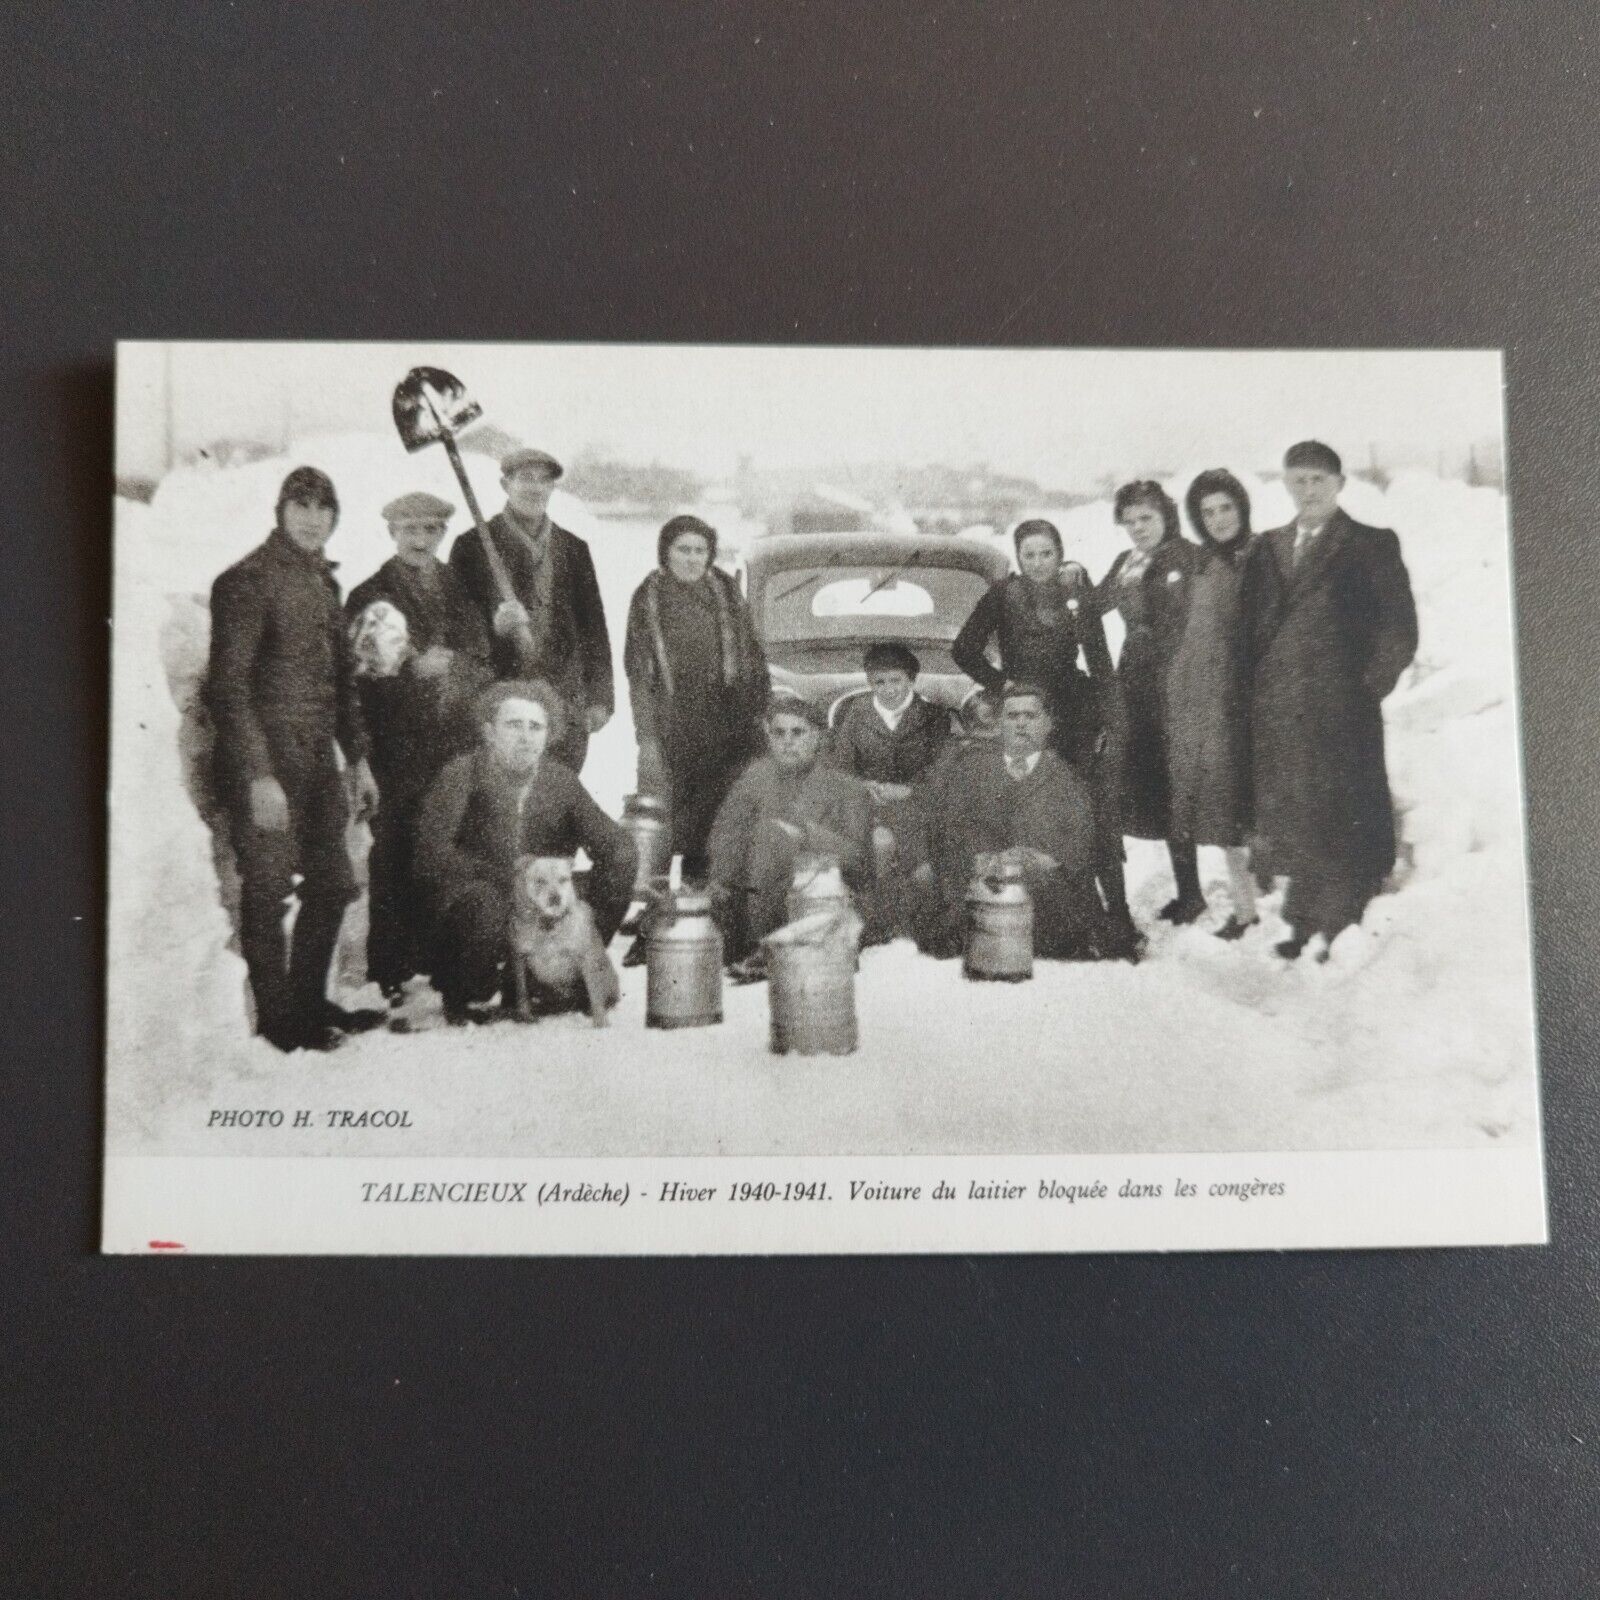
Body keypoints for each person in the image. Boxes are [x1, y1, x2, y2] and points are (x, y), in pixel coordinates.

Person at [206, 466, 384, 1051]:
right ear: (280, 512)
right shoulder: (247, 581)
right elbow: (228, 690)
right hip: (266, 764)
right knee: (268, 888)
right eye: (300, 506)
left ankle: (307, 1002)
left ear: (335, 517)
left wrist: (358, 760)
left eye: (323, 508)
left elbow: (341, 683)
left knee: (333, 884)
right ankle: (280, 1023)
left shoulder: (323, 584)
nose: (313, 518)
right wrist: (259, 776)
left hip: (316, 765)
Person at [1242, 440, 1418, 957]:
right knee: (1300, 810)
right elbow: (1250, 628)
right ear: (1285, 485)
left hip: (1343, 706)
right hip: (1283, 706)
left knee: (1345, 808)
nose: (1309, 490)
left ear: (1341, 484)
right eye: (1298, 479)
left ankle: (1342, 922)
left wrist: (1370, 685)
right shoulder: (1268, 546)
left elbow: (1399, 626)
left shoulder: (1371, 542)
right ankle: (1302, 919)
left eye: (1319, 479)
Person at [952, 518, 1131, 946]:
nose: (1037, 563)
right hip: (1023, 715)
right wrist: (1003, 686)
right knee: (1022, 803)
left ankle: (1118, 913)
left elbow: (1100, 660)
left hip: (1073, 710)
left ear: (1060, 552)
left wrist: (1111, 719)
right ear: (1018, 557)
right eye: (1028, 555)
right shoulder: (1002, 594)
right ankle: (1033, 906)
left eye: (1046, 553)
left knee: (1089, 806)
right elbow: (963, 649)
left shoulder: (1075, 592)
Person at [413, 680, 637, 1022]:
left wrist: (617, 852)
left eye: (536, 727)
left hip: (537, 898)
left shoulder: (559, 781)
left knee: (620, 858)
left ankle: (564, 974)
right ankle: (464, 988)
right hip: (477, 900)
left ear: (549, 735)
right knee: (484, 909)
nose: (526, 736)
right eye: (513, 725)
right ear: (489, 731)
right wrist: (504, 877)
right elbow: (430, 854)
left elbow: (610, 842)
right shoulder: (461, 774)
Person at [345, 492, 493, 1006]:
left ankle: (439, 958)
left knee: (446, 847)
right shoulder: (371, 593)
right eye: (410, 529)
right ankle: (388, 966)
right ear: (392, 533)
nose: (421, 540)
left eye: (431, 530)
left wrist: (456, 665)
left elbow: (481, 655)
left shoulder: (459, 589)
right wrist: (412, 667)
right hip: (397, 745)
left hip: (453, 743)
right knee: (395, 851)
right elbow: (360, 678)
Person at [447, 447, 613, 773]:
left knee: (557, 797)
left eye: (543, 481)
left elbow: (593, 628)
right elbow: (455, 626)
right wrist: (492, 629)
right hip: (499, 698)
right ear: (505, 484)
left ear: (552, 488)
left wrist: (600, 697)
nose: (534, 488)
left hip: (563, 700)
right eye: (525, 478)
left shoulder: (574, 549)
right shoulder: (472, 546)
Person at [915, 683, 1110, 960]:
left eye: (1030, 717)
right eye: (1011, 716)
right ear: (999, 724)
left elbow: (1082, 840)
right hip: (980, 881)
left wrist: (1045, 858)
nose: (1020, 725)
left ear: (1048, 724)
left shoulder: (1067, 777)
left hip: (1043, 890)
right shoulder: (970, 771)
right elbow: (951, 826)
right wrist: (981, 855)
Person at [623, 514, 769, 882]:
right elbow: (639, 675)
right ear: (666, 553)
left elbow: (753, 656)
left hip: (728, 727)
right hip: (675, 727)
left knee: (720, 826)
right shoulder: (649, 597)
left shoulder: (725, 591)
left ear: (710, 554)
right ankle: (655, 910)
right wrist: (647, 739)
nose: (691, 558)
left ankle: (706, 908)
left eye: (700, 550)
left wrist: (758, 716)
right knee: (667, 826)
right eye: (682, 549)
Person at [1097, 480, 1203, 925]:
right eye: (1131, 521)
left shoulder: (1189, 557)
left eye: (1147, 519)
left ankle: (1193, 893)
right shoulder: (1126, 562)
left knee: (1179, 787)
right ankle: (1173, 894)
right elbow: (1093, 604)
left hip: (1177, 682)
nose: (1138, 528)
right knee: (1145, 787)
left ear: (1167, 517)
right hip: (1135, 682)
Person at [706, 694, 874, 976]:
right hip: (754, 899)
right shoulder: (756, 777)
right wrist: (720, 881)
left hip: (820, 897)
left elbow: (859, 860)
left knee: (774, 836)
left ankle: (768, 948)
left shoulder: (847, 787)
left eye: (798, 732)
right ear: (769, 737)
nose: (787, 741)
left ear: (819, 737)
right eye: (778, 733)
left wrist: (806, 835)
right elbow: (725, 835)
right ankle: (755, 944)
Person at [1165, 470, 1260, 939]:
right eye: (1208, 512)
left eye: (1226, 508)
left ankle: (1267, 912)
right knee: (1222, 810)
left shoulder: (1261, 557)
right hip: (1201, 701)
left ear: (1242, 508)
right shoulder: (1202, 563)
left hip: (1244, 699)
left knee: (1250, 806)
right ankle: (1247, 911)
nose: (1219, 519)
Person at [827, 642, 951, 940]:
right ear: (870, 683)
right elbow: (839, 768)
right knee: (877, 843)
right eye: (879, 682)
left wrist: (908, 791)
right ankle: (874, 919)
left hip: (916, 808)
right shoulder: (855, 715)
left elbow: (943, 771)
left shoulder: (934, 717)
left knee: (924, 869)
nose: (888, 689)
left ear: (911, 680)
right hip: (868, 808)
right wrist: (862, 787)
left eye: (896, 680)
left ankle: (919, 920)